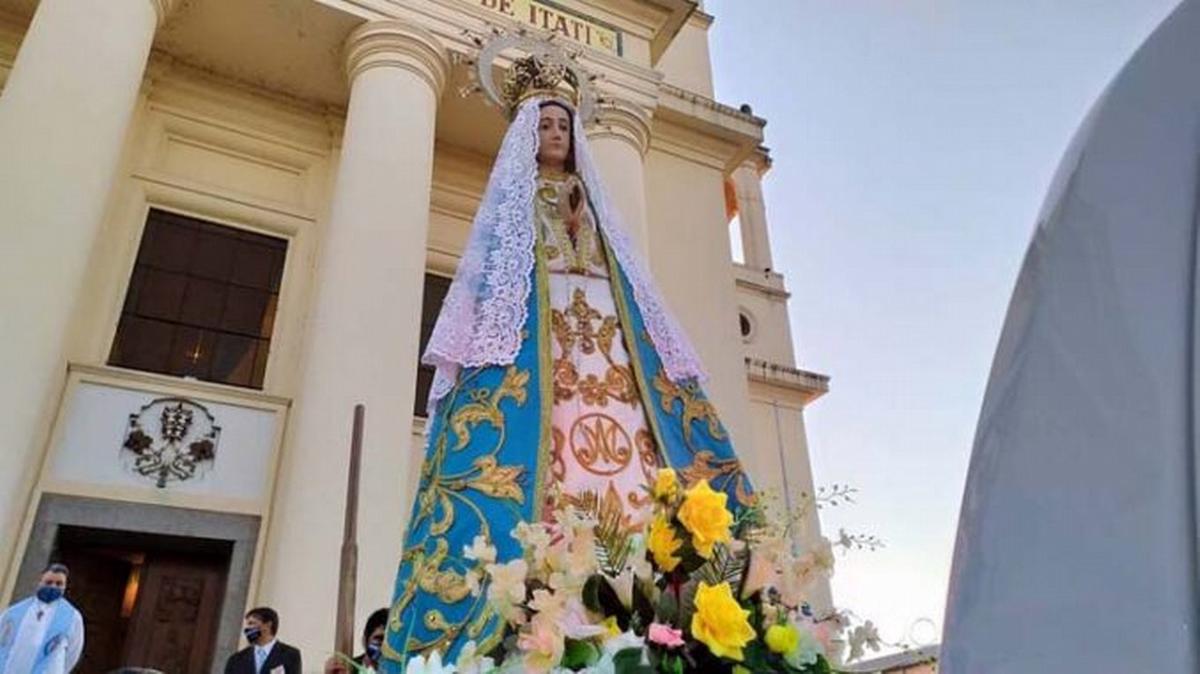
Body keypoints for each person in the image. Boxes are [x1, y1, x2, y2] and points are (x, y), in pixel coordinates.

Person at [385, 50, 752, 666]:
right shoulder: (512, 210)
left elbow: (626, 284)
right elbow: (497, 283)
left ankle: (658, 599)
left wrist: (585, 228)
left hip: (607, 346)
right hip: (544, 348)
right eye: (545, 127)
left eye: (563, 126)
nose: (555, 136)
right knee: (551, 473)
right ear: (528, 139)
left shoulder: (595, 208)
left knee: (640, 474)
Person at [0, 563, 83, 674]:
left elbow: (73, 653)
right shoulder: (14, 612)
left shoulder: (73, 618)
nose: (53, 586)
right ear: (39, 582)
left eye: (59, 584)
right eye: (48, 582)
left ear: (65, 586)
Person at [223, 607, 301, 674]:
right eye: (247, 625)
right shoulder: (236, 660)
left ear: (267, 625)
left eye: (252, 623)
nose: (247, 629)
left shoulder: (290, 655)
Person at [323, 607, 388, 673]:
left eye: (390, 642)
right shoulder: (346, 667)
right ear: (364, 641)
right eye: (379, 639)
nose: (386, 646)